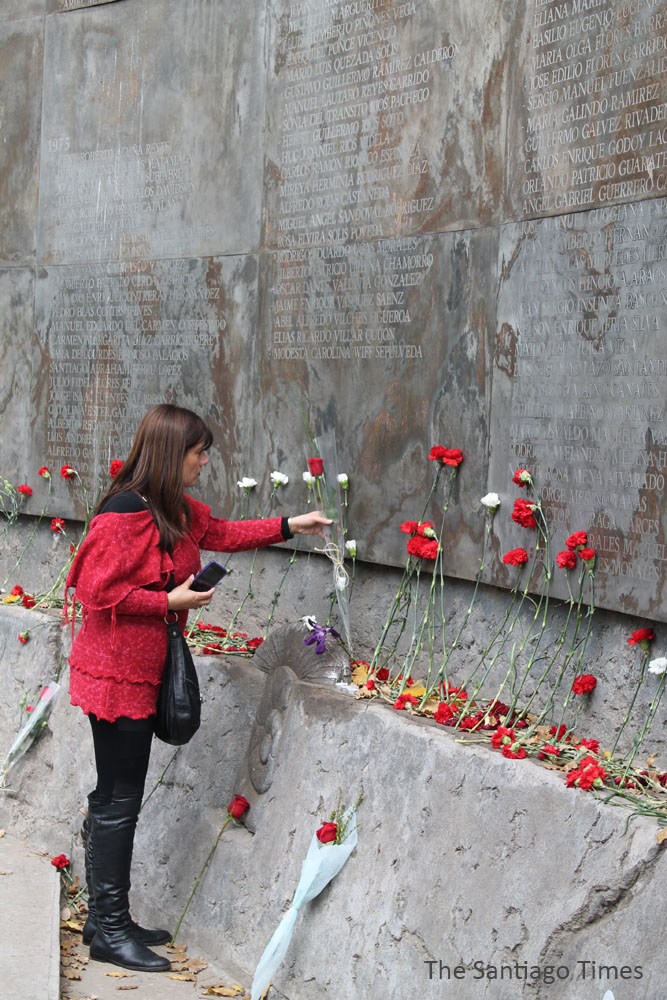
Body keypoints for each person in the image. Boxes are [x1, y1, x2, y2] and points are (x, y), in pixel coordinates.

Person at [65, 404, 331, 973]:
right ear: (170, 453)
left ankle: (103, 917)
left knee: (115, 794)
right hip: (116, 674)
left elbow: (225, 533)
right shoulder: (124, 512)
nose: (205, 461)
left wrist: (291, 525)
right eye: (198, 452)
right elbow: (96, 593)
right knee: (119, 798)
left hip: (145, 669)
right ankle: (109, 927)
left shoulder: (173, 510)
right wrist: (170, 602)